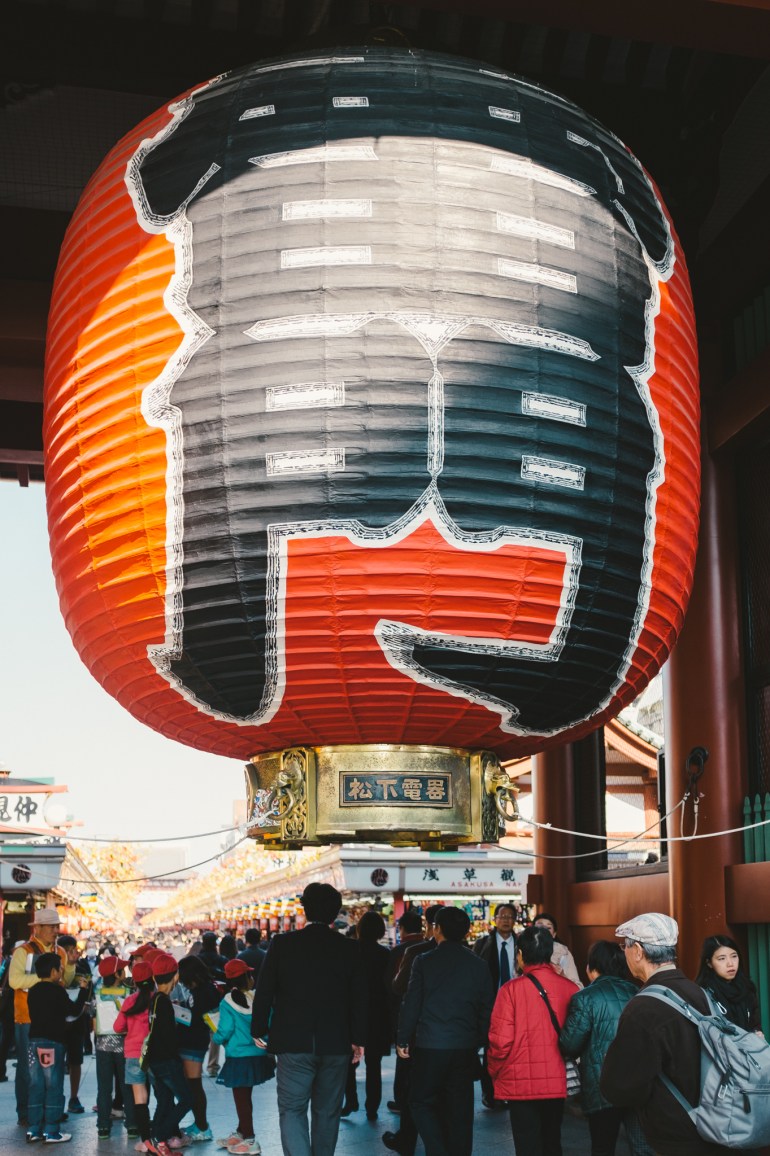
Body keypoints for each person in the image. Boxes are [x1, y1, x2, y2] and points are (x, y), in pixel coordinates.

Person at [251, 881, 367, 1156]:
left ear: (304, 909)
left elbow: (264, 989)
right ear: (335, 913)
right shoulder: (350, 949)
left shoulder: (282, 944)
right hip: (336, 1042)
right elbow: (359, 997)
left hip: (293, 1042)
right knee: (328, 1111)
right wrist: (358, 1039)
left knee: (292, 1109)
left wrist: (259, 1029)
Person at [600, 912, 731, 1156]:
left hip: (676, 1136)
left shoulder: (642, 1008)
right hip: (716, 1123)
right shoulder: (699, 993)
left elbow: (619, 1087)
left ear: (638, 951)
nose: (625, 953)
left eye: (625, 946)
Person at [397, 907, 494, 1156]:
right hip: (464, 1046)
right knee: (460, 1109)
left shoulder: (424, 961)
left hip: (430, 1045)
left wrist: (403, 1038)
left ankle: (437, 1149)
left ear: (436, 929)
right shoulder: (478, 964)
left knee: (419, 1101)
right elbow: (486, 1009)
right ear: (466, 931)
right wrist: (478, 1040)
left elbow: (412, 1003)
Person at [487, 923, 580, 1156]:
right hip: (556, 1079)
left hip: (520, 1082)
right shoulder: (570, 988)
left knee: (527, 1144)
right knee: (552, 1140)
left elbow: (501, 1042)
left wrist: (494, 1072)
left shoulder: (509, 990)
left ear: (520, 954)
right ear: (549, 953)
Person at [559, 940, 653, 1156]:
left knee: (603, 1147)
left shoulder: (585, 998)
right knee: (641, 1147)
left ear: (591, 968)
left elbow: (569, 1044)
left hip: (601, 1086)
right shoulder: (639, 992)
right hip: (638, 1084)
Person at [8, 907, 75, 1127]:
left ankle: (52, 1111)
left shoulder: (61, 953)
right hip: (27, 1019)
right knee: (29, 1070)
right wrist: (44, 980)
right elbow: (15, 981)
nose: (56, 931)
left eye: (57, 926)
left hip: (54, 1021)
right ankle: (26, 1112)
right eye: (52, 927)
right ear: (38, 928)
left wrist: (71, 967)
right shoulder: (22, 951)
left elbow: (66, 980)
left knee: (53, 1069)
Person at [385, 906, 442, 1156]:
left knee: (412, 1090)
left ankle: (407, 1139)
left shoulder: (416, 952)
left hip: (418, 1033)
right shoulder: (467, 954)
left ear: (431, 925)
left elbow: (397, 988)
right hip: (451, 1037)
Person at [211, 957, 275, 1155]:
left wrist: (217, 1037)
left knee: (241, 1099)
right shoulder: (256, 998)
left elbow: (225, 1029)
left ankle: (249, 1140)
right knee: (246, 1097)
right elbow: (269, 1021)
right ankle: (241, 1131)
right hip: (257, 1055)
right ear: (247, 977)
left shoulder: (227, 1002)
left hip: (238, 1057)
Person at [27, 951, 89, 1144]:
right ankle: (52, 1131)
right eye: (60, 968)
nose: (63, 970)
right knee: (53, 1085)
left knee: (36, 1085)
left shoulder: (33, 990)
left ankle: (34, 1129)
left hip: (33, 1042)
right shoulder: (57, 991)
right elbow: (73, 1010)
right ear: (53, 971)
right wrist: (84, 991)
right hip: (53, 1043)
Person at [342, 911, 391, 1120]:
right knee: (374, 1064)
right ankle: (372, 1107)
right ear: (380, 931)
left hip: (352, 1014)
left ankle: (351, 1101)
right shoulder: (385, 954)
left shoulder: (349, 951)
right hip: (377, 1015)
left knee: (349, 1062)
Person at [144, 951, 194, 1155]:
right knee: (187, 1099)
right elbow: (168, 1036)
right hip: (166, 1061)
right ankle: (160, 1135)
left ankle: (154, 1142)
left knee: (164, 1100)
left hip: (154, 1061)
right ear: (176, 977)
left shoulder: (155, 999)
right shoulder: (164, 1002)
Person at [472, 903, 517, 1108]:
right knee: (491, 1051)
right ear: (495, 919)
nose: (506, 920)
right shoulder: (483, 945)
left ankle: (511, 1091)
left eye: (510, 916)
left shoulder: (522, 943)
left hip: (516, 1005)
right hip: (491, 1006)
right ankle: (490, 1094)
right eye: (502, 916)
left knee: (514, 1050)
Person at [173, 954, 221, 1142]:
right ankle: (200, 1123)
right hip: (191, 1042)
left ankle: (202, 1126)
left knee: (194, 1085)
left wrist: (179, 1012)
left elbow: (196, 1019)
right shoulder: (201, 989)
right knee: (192, 1085)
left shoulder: (205, 991)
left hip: (194, 1043)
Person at [385, 910, 424, 1114]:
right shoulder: (430, 948)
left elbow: (393, 987)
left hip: (403, 1011)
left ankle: (402, 1099)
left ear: (402, 929)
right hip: (426, 1016)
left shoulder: (399, 951)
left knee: (404, 1059)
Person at [115, 959, 155, 1155]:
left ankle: (145, 1140)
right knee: (163, 1094)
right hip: (155, 1054)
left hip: (133, 1054)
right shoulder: (158, 999)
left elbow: (117, 1027)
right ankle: (164, 1135)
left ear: (135, 982)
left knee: (140, 1097)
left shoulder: (129, 1001)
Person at [93, 954, 136, 1139]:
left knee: (104, 1088)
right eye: (123, 969)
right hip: (123, 1044)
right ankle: (132, 1125)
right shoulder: (128, 993)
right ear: (118, 974)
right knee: (126, 1086)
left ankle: (103, 1126)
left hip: (103, 1045)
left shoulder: (97, 993)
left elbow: (94, 1023)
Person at [694, 934, 762, 1032]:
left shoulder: (747, 987)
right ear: (709, 963)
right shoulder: (702, 993)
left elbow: (755, 1023)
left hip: (747, 1045)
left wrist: (758, 1032)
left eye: (734, 956)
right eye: (722, 958)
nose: (730, 964)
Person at [57, 935, 90, 1115]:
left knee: (75, 1061)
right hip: (58, 1022)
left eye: (73, 950)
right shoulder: (54, 968)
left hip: (77, 1021)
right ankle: (57, 1099)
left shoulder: (83, 967)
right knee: (57, 1063)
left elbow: (89, 988)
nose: (72, 954)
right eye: (67, 951)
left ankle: (73, 1097)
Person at [534, 913, 582, 987]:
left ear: (554, 934)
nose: (543, 931)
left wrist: (562, 975)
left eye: (548, 928)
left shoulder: (563, 954)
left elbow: (578, 987)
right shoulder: (523, 951)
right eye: (540, 927)